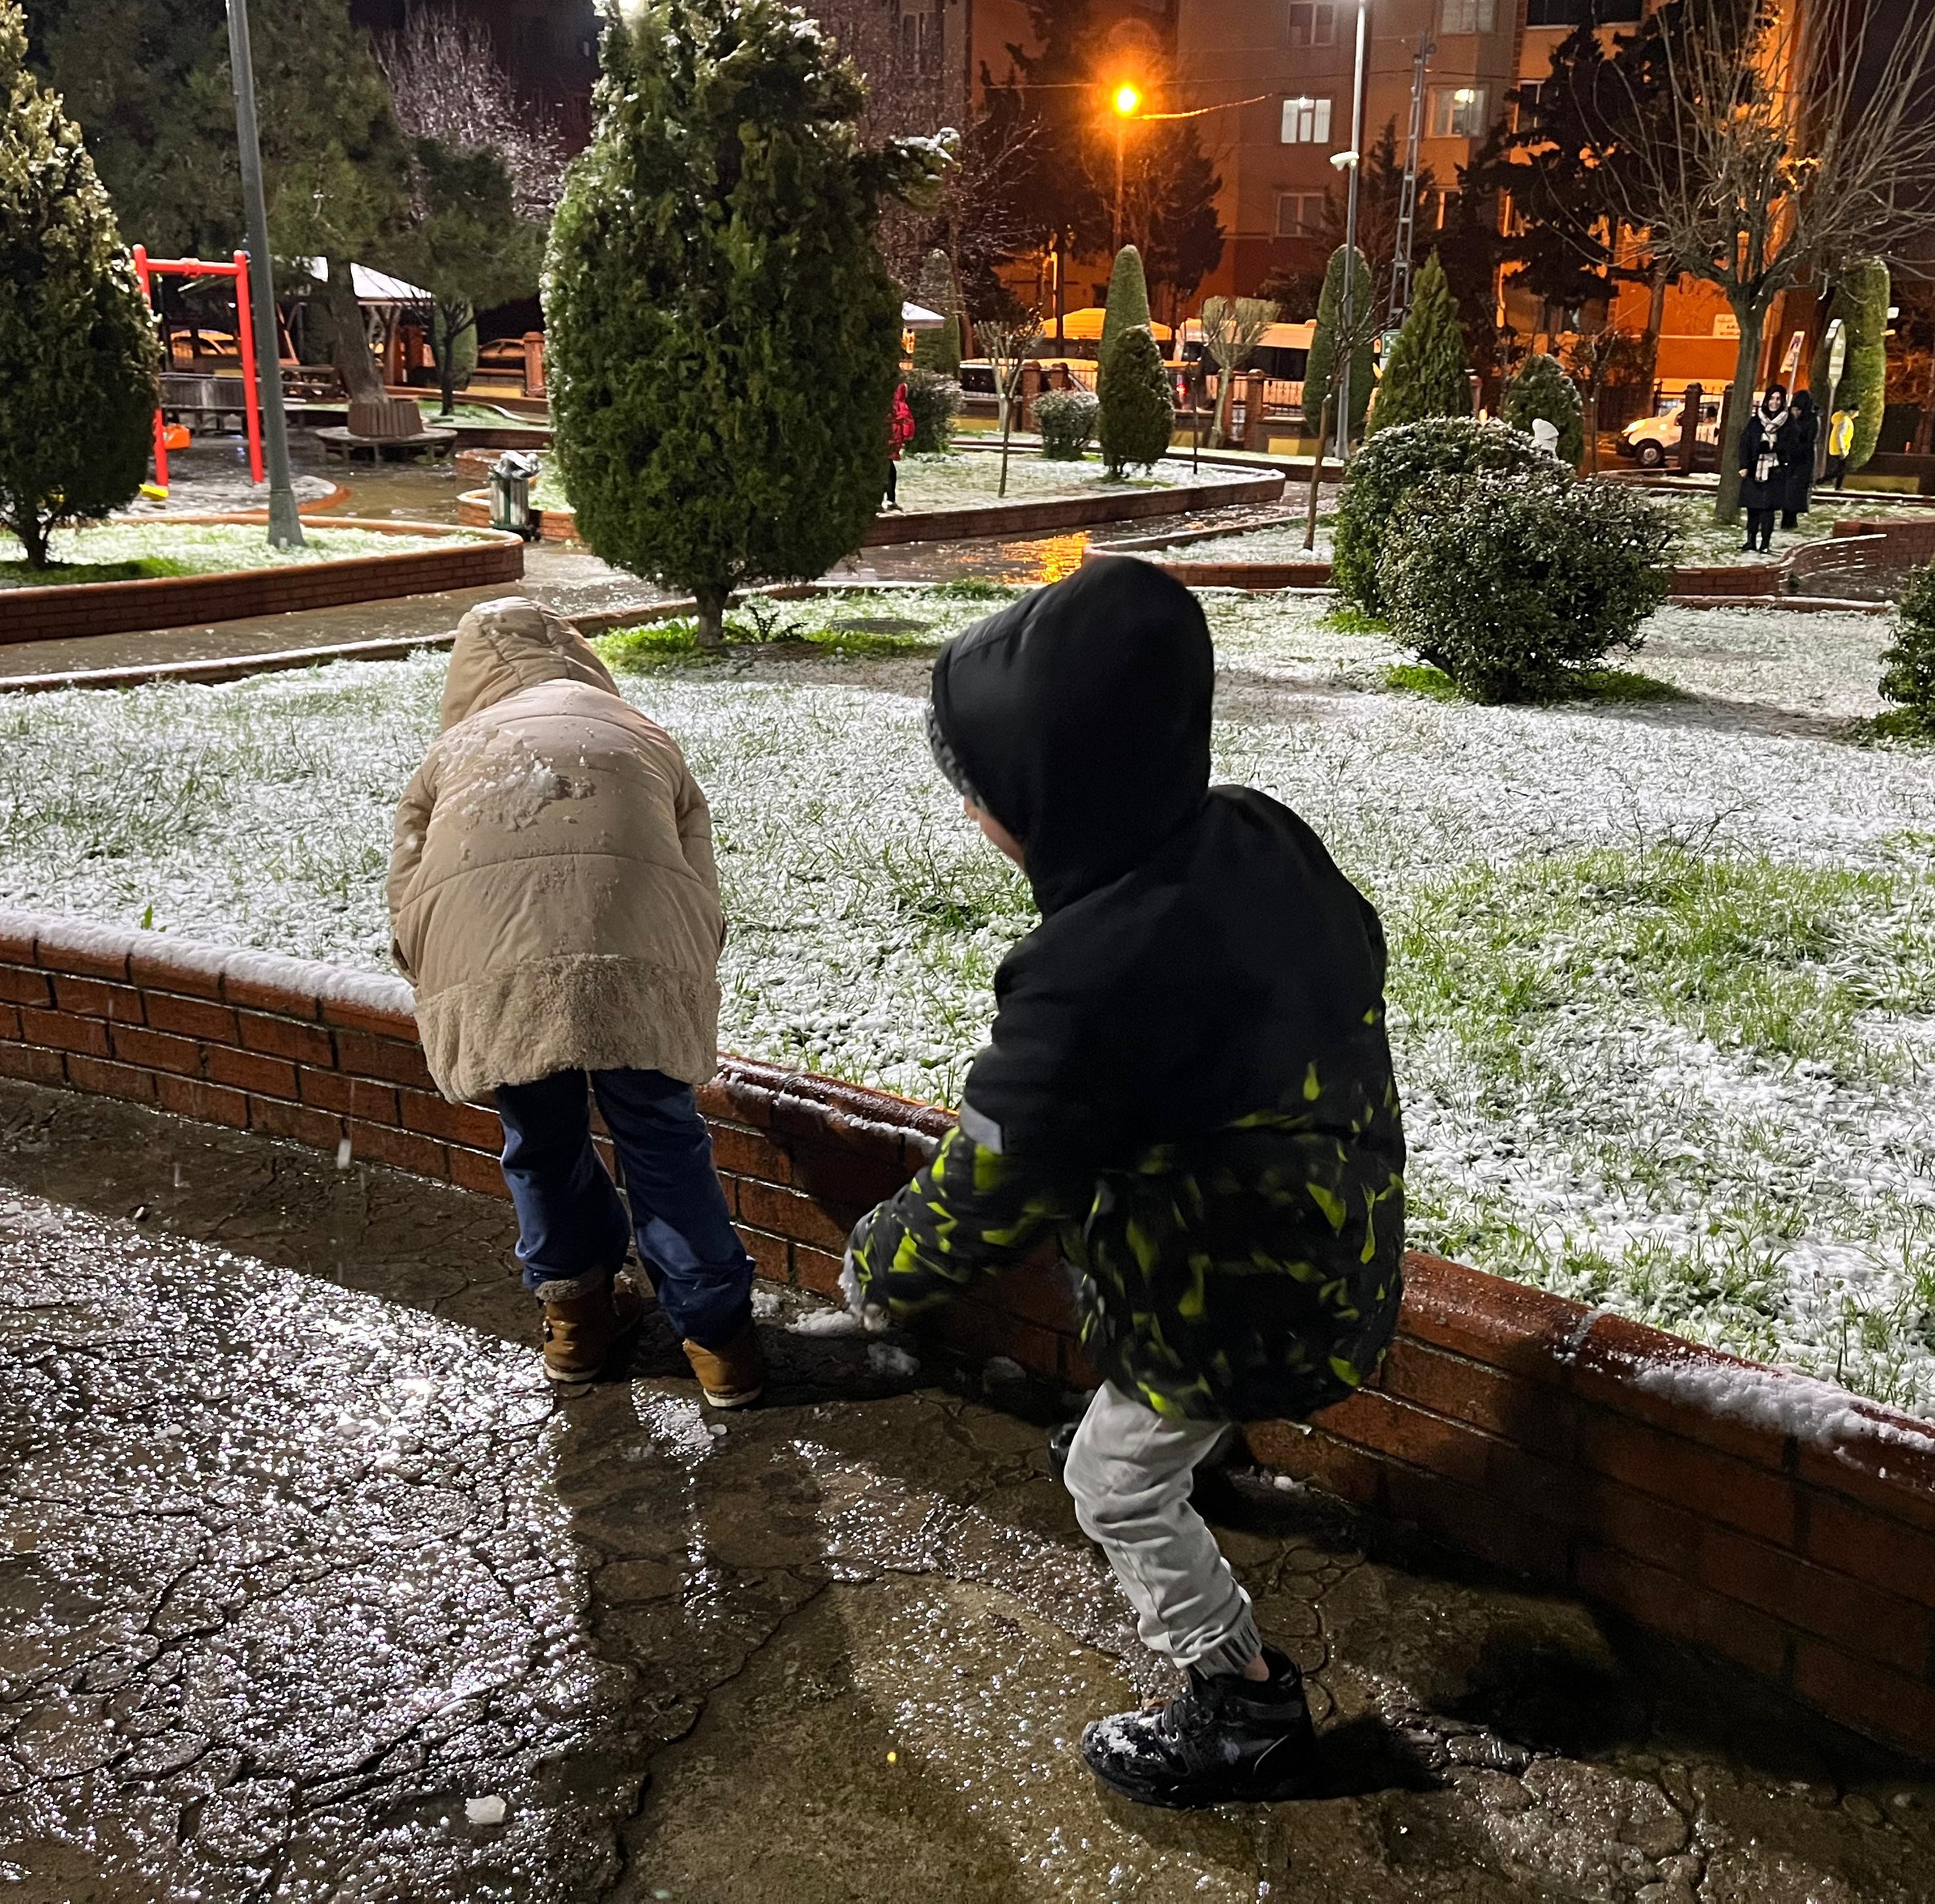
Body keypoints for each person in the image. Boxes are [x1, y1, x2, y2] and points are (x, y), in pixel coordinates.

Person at [839, 556, 1405, 1809]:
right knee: (1166, 1398)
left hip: (1234, 1308)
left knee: (1107, 1480)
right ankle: (1200, 1457)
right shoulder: (1253, 832)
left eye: (980, 787)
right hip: (1341, 1236)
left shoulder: (1082, 978)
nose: (972, 809)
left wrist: (881, 1265)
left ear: (1050, 792)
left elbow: (995, 1175)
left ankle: (1240, 1700)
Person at [387, 598, 764, 1408]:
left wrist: (437, 978)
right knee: (661, 1134)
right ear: (580, 658)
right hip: (636, 954)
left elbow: (408, 890)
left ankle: (578, 1323)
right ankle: (720, 1343)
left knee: (541, 1133)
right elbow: (696, 872)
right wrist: (687, 963)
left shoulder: (455, 751)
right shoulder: (640, 734)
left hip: (494, 964)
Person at [1738, 384, 1799, 554]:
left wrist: (1777, 449)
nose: (1775, 402)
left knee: (1768, 510)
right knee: (1753, 509)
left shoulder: (1788, 422)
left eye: (1778, 399)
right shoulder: (1756, 421)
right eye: (1772, 398)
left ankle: (1765, 543)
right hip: (1755, 470)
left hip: (1775, 472)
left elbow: (1793, 446)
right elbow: (1745, 443)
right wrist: (1744, 465)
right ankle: (1750, 541)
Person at [1780, 384, 1823, 531]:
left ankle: (1791, 519)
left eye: (1798, 409)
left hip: (1803, 460)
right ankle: (1787, 519)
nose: (1795, 412)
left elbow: (1808, 441)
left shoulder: (1812, 420)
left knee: (1796, 490)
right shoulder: (1791, 419)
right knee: (1788, 490)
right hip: (1791, 459)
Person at [886, 379, 915, 507]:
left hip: (887, 442)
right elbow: (908, 425)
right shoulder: (901, 406)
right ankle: (890, 499)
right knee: (889, 472)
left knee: (888, 470)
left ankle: (887, 500)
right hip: (891, 443)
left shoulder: (888, 404)